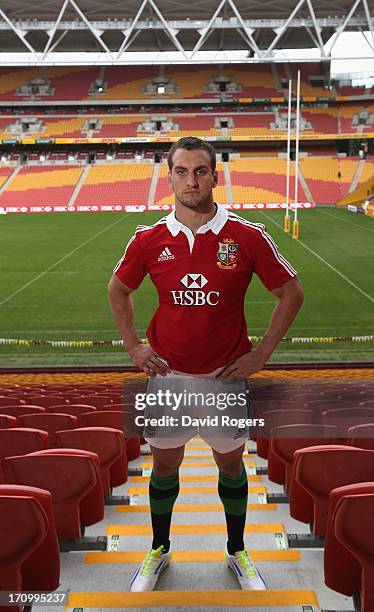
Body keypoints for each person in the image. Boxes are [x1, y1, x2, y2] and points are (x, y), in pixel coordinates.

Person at [108, 136, 304, 592]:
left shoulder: (248, 236)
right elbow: (117, 289)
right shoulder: (148, 239)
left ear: (215, 176)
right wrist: (135, 348)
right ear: (170, 177)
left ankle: (237, 551)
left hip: (224, 378)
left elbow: (290, 292)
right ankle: (159, 547)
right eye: (182, 171)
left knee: (232, 467)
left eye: (200, 171)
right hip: (169, 378)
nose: (191, 180)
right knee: (164, 467)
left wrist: (262, 354)